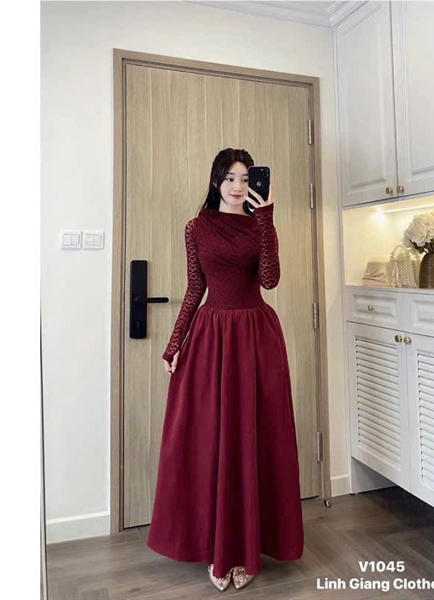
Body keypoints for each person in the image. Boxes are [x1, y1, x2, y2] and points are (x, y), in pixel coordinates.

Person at [146, 148, 304, 592]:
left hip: (256, 338)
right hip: (212, 339)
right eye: (230, 178)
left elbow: (270, 280)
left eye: (246, 178)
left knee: (254, 439)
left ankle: (246, 550)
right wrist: (175, 344)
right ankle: (220, 549)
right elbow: (195, 287)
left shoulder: (260, 224)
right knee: (212, 441)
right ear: (217, 180)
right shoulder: (196, 227)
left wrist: (267, 218)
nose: (238, 186)